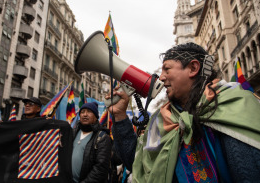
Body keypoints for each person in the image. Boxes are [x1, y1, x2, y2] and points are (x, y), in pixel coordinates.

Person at [108, 42, 260, 182]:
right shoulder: (161, 119)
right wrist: (120, 116)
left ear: (193, 68)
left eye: (167, 69)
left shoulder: (234, 104)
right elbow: (137, 164)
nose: (161, 77)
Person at [72, 102, 112, 183]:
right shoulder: (73, 132)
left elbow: (101, 168)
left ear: (96, 117)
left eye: (89, 112)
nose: (85, 114)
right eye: (82, 112)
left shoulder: (102, 137)